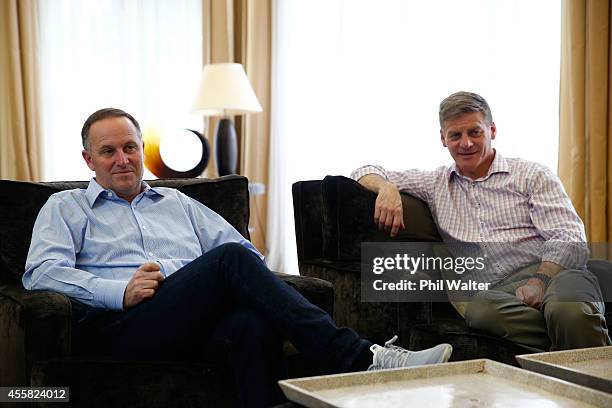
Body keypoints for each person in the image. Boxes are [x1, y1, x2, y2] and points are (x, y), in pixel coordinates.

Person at [24, 108, 452, 408]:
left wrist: (187, 276)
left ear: (141, 150)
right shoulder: (67, 207)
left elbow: (247, 253)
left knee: (251, 323)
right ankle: (360, 358)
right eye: (108, 151)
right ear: (88, 159)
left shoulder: (177, 201)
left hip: (191, 318)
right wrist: (120, 291)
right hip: (121, 327)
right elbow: (40, 273)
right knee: (227, 260)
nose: (123, 160)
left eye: (130, 148)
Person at [352, 91, 611, 352]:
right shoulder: (434, 184)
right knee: (480, 312)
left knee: (569, 312)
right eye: (455, 135)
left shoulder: (531, 174)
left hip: (556, 272)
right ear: (443, 139)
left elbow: (569, 236)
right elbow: (362, 172)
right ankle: (570, 339)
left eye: (474, 132)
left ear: (492, 130)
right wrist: (386, 188)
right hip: (498, 294)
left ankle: (586, 368)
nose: (466, 143)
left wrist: (539, 281)